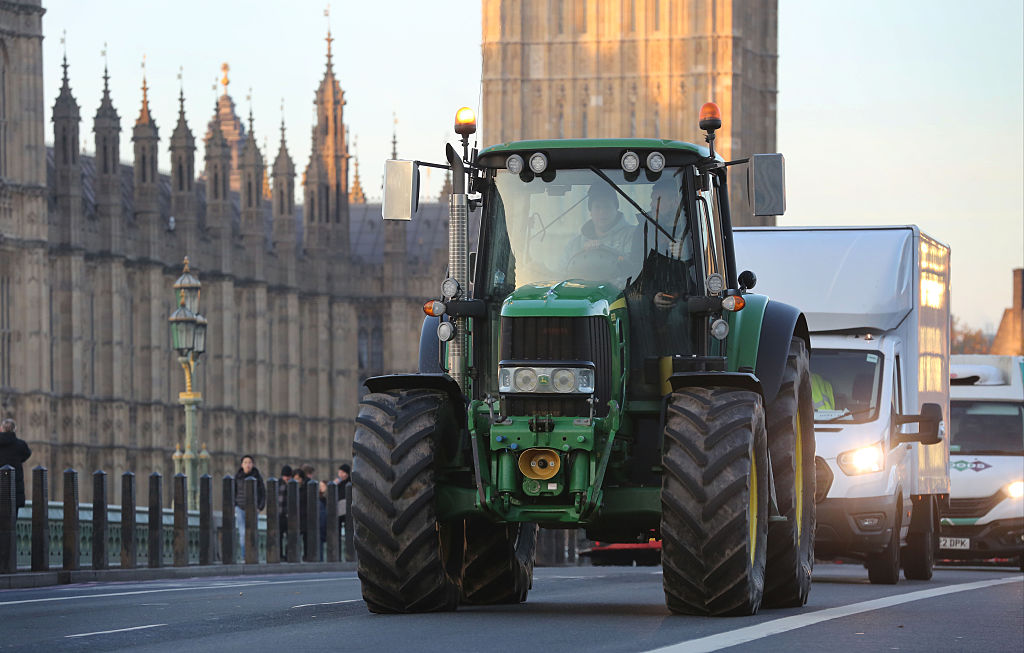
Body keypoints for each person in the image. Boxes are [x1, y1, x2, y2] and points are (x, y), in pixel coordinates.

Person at [233, 455, 266, 558]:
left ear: (253, 464)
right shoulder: (237, 477)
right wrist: (235, 504)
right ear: (242, 464)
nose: (248, 465)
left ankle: (253, 554)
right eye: (245, 462)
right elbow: (233, 491)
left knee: (253, 532)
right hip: (240, 507)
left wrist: (260, 507)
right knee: (242, 533)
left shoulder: (257, 477)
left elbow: (262, 493)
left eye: (250, 462)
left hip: (253, 508)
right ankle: (245, 556)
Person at [0, 418, 31, 509]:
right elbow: (27, 454)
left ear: (1, 429)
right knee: (12, 517)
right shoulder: (21, 445)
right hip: (14, 487)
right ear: (14, 429)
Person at [278, 464, 293, 558]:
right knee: (278, 536)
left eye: (288, 476)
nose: (286, 478)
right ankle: (279, 555)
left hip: (289, 515)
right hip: (279, 514)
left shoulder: (292, 484)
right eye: (285, 476)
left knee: (290, 537)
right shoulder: (278, 484)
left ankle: (289, 555)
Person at [336, 464, 350, 537]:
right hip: (339, 511)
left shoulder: (350, 483)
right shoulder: (338, 483)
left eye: (342, 472)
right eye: (339, 472)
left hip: (347, 511)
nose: (340, 474)